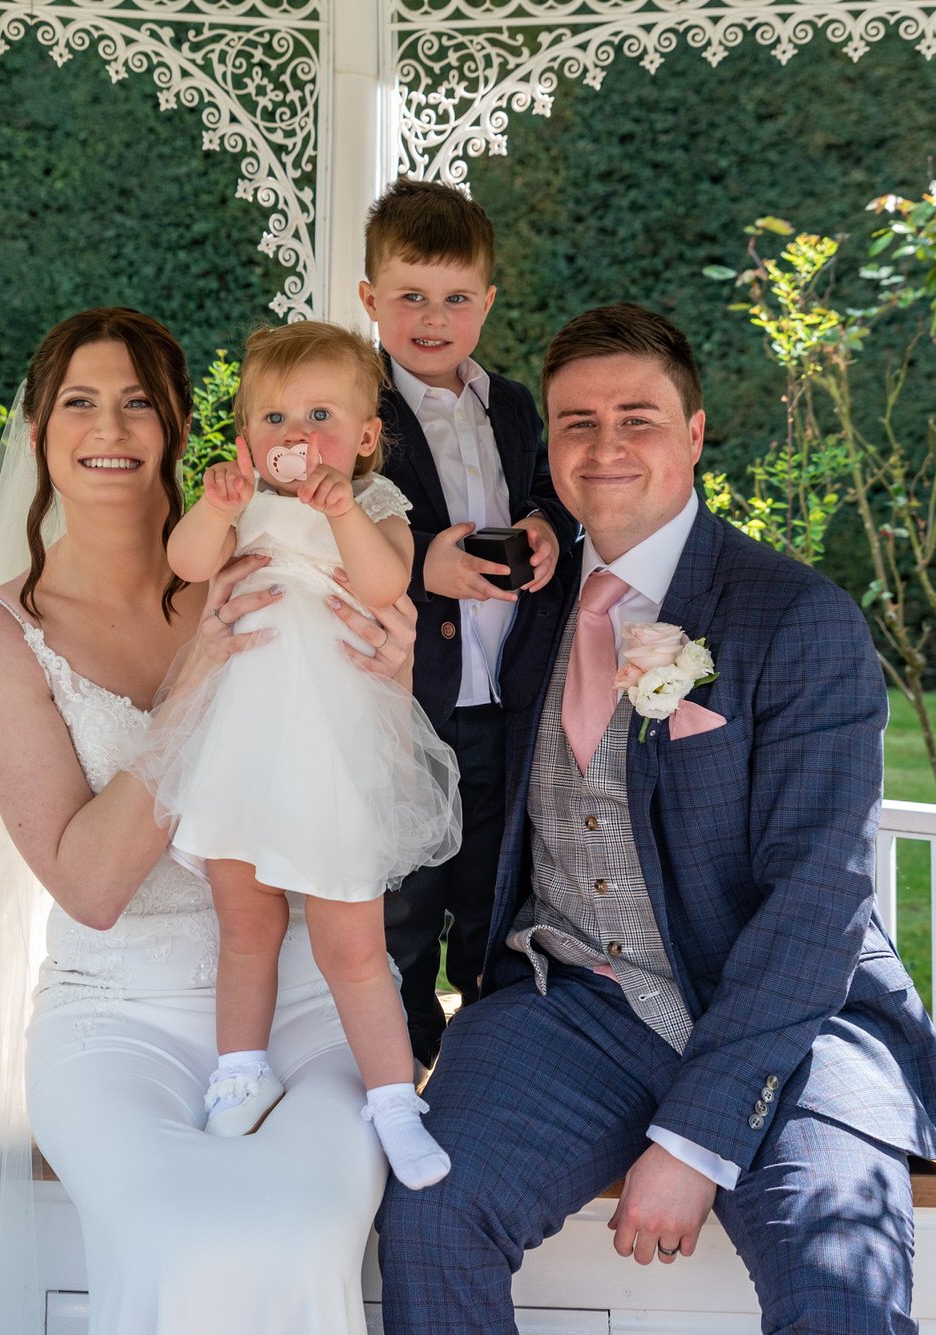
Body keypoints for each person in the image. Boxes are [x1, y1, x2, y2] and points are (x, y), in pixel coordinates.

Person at [376, 304, 936, 1334]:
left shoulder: (794, 616)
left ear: (694, 433)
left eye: (637, 418)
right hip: (565, 1004)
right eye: (574, 423)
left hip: (789, 1021)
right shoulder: (520, 599)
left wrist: (698, 1138)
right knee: (431, 1212)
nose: (603, 447)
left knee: (837, 1282)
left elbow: (818, 896)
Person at [0, 308, 419, 1335]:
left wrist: (387, 663)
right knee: (184, 1236)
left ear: (182, 432)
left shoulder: (262, 561)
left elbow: (355, 719)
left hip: (299, 1001)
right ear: (36, 434)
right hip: (118, 1015)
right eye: (78, 402)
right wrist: (196, 681)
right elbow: (91, 889)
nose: (109, 425)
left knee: (295, 1228)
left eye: (137, 402)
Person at [134, 321, 459, 1187]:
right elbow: (186, 559)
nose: (297, 436)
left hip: (330, 753)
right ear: (245, 438)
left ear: (364, 440)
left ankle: (395, 1098)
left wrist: (344, 508)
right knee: (245, 924)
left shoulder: (378, 505)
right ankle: (240, 1067)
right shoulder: (246, 508)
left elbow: (387, 583)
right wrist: (216, 504)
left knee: (350, 942)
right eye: (274, 417)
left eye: (321, 414)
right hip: (242, 743)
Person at [360, 179, 575, 1067]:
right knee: (403, 900)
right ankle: (396, 1065)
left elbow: (552, 495)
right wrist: (420, 563)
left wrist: (546, 531)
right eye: (410, 296)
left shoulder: (514, 406)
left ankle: (485, 1066)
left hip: (504, 701)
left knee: (494, 895)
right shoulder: (357, 407)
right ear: (371, 300)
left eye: (455, 298)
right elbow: (315, 516)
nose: (433, 319)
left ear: (486, 302)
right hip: (405, 709)